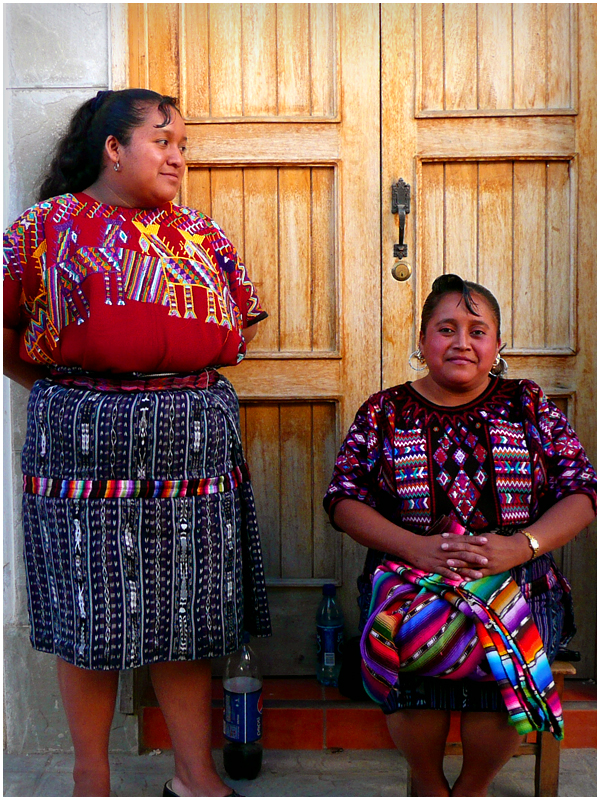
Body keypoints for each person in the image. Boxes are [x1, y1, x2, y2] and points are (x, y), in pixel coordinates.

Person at [3, 88, 272, 798]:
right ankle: (90, 777)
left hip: (192, 450)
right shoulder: (44, 229)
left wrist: (175, 374)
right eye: (164, 140)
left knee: (185, 608)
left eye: (183, 143)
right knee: (87, 610)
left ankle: (194, 774)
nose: (178, 156)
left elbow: (243, 318)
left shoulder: (201, 234)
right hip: (82, 451)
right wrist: (73, 388)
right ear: (113, 149)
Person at [324, 274, 596, 797]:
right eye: (446, 328)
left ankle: (472, 789)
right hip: (411, 586)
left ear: (497, 345)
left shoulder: (528, 403)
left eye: (478, 330)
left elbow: (582, 492)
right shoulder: (384, 410)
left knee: (504, 664)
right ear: (422, 340)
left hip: (520, 584)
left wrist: (520, 546)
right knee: (409, 661)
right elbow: (342, 500)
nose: (462, 342)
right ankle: (429, 786)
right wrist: (418, 549)